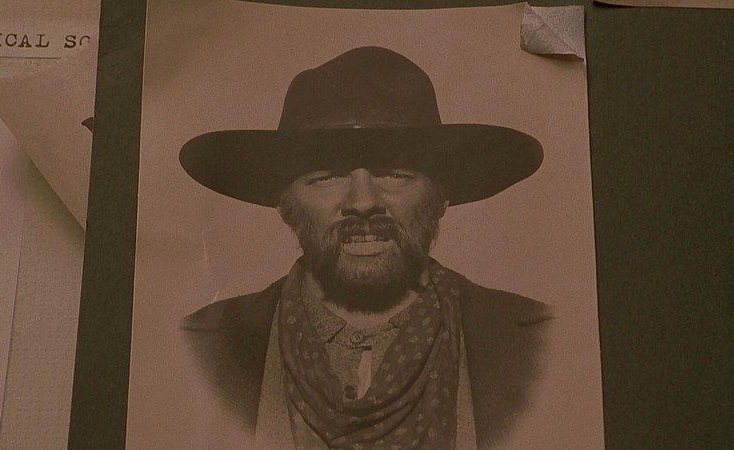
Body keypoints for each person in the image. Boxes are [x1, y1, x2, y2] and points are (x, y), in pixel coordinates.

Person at [179, 46, 552, 449]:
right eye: (328, 176)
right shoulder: (200, 351)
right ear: (286, 205)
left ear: (440, 198)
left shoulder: (541, 346)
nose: (363, 202)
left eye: (394, 173)